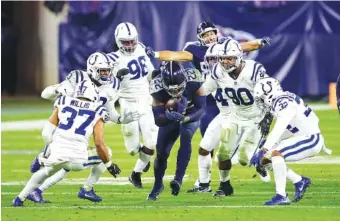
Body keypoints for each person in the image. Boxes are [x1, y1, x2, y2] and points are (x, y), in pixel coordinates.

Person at [28, 52, 138, 203]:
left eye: (108, 70)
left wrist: (121, 119)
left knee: (66, 165)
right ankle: (45, 156)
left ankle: (39, 189)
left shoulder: (109, 87)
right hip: (66, 125)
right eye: (103, 70)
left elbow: (108, 111)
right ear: (92, 70)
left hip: (83, 127)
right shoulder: (78, 78)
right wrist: (58, 90)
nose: (107, 74)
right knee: (52, 142)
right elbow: (44, 94)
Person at [12, 80, 121, 206]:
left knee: (45, 172)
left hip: (57, 154)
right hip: (77, 160)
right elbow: (99, 144)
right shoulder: (98, 110)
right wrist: (109, 165)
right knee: (107, 152)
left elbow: (46, 133)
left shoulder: (63, 102)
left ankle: (19, 199)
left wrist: (49, 149)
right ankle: (87, 189)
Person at [202, 39, 271, 197]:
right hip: (235, 116)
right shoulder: (217, 72)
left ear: (239, 57)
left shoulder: (254, 70)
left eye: (230, 58)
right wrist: (185, 99)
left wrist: (268, 117)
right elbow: (203, 90)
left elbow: (270, 92)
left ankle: (266, 158)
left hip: (256, 119)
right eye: (223, 58)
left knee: (244, 158)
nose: (226, 62)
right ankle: (225, 185)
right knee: (223, 154)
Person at [251, 77, 325, 205]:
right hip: (306, 136)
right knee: (265, 159)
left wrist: (265, 148)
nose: (261, 102)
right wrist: (267, 145)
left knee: (275, 154)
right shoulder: (285, 97)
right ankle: (299, 181)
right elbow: (293, 127)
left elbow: (279, 127)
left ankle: (282, 196)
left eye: (261, 98)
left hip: (311, 139)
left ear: (268, 94)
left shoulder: (281, 102)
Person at [107, 22, 158, 188]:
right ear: (118, 41)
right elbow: (108, 88)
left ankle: (136, 174)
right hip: (127, 105)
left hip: (146, 102)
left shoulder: (141, 48)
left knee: (151, 144)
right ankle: (142, 157)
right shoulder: (112, 59)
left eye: (132, 41)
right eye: (126, 42)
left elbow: (151, 73)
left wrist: (159, 74)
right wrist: (117, 79)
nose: (130, 45)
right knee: (132, 150)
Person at [147, 61, 206, 200]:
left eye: (179, 88)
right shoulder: (157, 87)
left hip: (191, 112)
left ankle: (178, 180)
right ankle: (157, 184)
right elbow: (158, 120)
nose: (176, 92)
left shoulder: (194, 78)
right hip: (171, 115)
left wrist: (186, 118)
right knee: (162, 151)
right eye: (171, 90)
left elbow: (201, 108)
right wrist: (168, 115)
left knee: (186, 135)